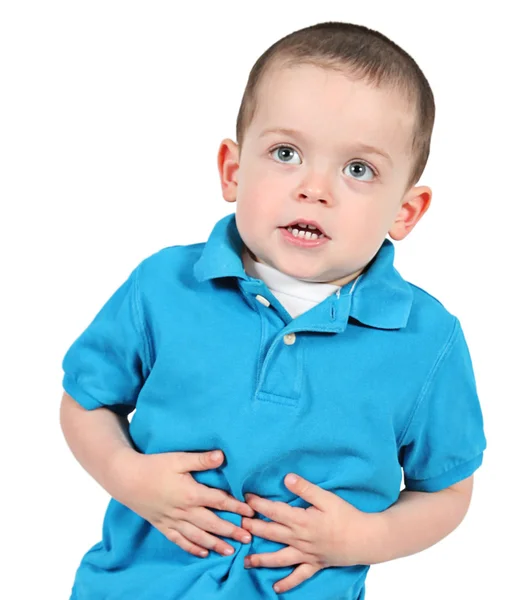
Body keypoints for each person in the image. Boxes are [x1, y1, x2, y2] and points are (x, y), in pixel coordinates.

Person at [60, 21, 487, 600]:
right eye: (286, 153)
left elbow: (448, 491)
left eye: (358, 169)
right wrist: (126, 475)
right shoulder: (164, 286)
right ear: (233, 171)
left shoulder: (426, 341)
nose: (314, 188)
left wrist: (368, 536)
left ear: (405, 212)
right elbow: (86, 400)